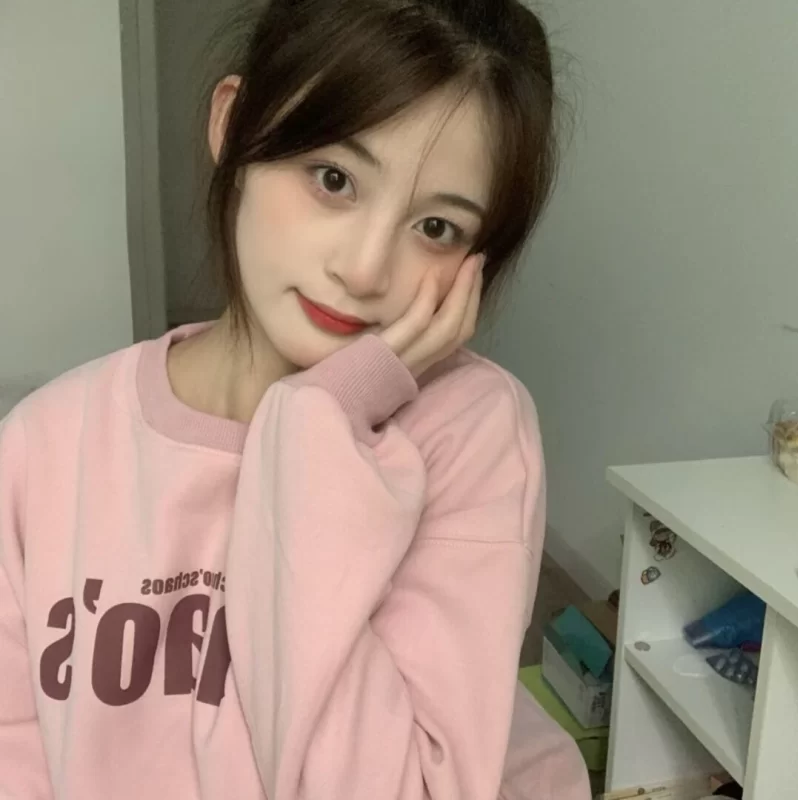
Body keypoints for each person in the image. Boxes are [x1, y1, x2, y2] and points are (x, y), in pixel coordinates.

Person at [0, 0, 590, 797]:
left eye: (436, 228)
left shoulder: (469, 433)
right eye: (334, 179)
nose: (365, 269)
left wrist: (318, 422)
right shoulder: (43, 447)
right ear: (233, 125)